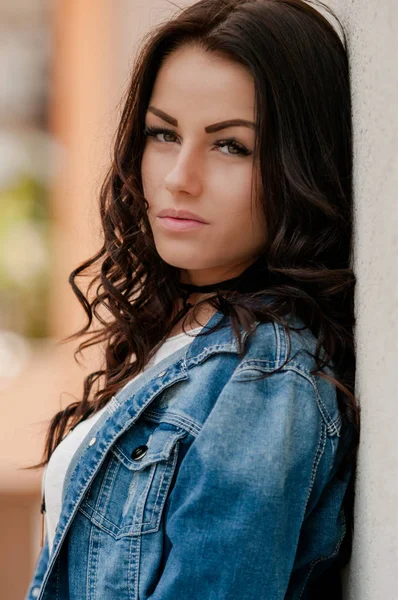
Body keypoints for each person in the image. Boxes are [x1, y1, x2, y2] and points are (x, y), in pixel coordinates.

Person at [24, 0, 360, 598]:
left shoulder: (264, 381)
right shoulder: (188, 332)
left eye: (231, 146)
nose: (180, 176)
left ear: (299, 166)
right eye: (163, 133)